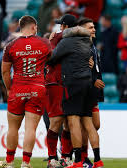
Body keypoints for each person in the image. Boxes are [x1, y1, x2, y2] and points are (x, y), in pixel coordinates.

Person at [0, 15, 52, 168]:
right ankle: (25, 163)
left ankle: (9, 162)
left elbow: (5, 72)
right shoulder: (45, 43)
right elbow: (53, 63)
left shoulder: (10, 45)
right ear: (34, 27)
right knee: (30, 128)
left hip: (18, 89)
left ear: (20, 28)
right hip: (37, 88)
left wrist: (9, 89)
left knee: (13, 128)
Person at [48, 25, 104, 168]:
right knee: (88, 124)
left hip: (73, 84)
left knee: (73, 122)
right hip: (88, 84)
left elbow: (52, 59)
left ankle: (78, 161)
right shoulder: (88, 42)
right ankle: (98, 160)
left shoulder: (66, 42)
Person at [45, 14, 77, 168]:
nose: (59, 28)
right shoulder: (79, 38)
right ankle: (53, 158)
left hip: (61, 82)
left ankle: (64, 157)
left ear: (65, 26)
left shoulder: (57, 36)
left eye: (61, 25)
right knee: (59, 122)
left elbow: (49, 57)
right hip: (58, 82)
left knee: (65, 123)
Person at [78, 17, 105, 168]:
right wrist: (92, 78)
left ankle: (85, 158)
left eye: (94, 26)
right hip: (86, 89)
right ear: (81, 30)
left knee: (95, 125)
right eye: (90, 27)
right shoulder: (81, 46)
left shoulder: (91, 45)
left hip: (95, 89)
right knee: (88, 125)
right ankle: (85, 158)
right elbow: (81, 68)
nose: (94, 29)